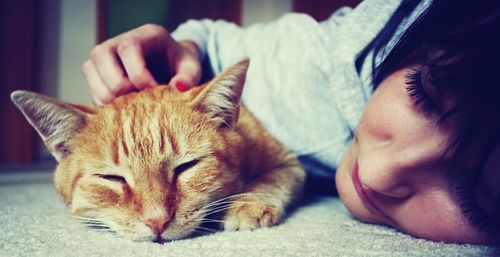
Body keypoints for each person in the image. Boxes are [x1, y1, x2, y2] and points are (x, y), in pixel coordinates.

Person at [81, 0, 500, 244]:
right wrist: (182, 47)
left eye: (475, 195)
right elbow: (209, 37)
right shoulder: (304, 68)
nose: (375, 172)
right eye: (422, 93)